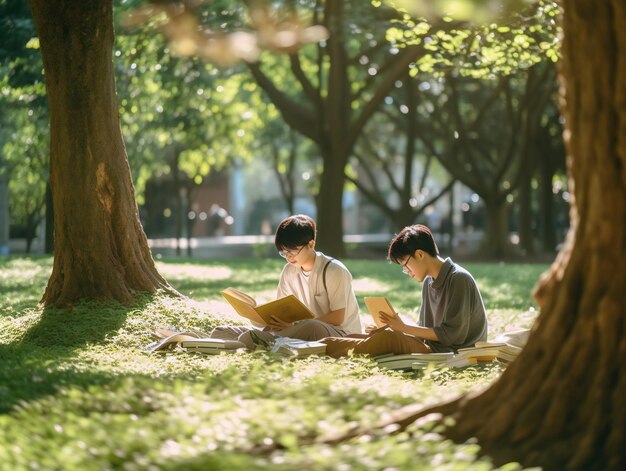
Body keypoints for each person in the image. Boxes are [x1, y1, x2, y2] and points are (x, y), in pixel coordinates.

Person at [321, 224, 488, 358]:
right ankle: (320, 346)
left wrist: (402, 328)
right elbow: (424, 330)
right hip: (434, 348)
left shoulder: (458, 279)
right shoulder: (429, 281)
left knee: (389, 338)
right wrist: (391, 326)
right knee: (380, 335)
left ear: (420, 255)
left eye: (406, 265)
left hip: (454, 354)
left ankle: (323, 350)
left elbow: (453, 336)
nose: (407, 271)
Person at [210, 214, 363, 348]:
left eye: (292, 251)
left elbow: (338, 317)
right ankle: (260, 341)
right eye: (283, 252)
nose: (288, 256)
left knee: (312, 326)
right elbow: (283, 310)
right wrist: (268, 319)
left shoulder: (333, 270)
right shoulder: (289, 271)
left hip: (339, 333)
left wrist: (296, 325)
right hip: (295, 330)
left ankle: (259, 341)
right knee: (220, 332)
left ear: (311, 244)